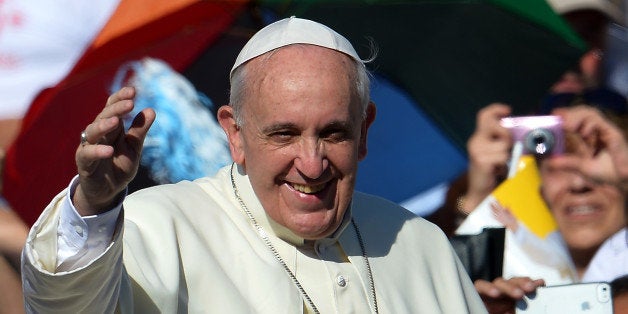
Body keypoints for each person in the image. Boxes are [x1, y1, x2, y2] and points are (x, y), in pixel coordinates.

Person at [21, 17, 486, 313]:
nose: (311, 163)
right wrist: (94, 207)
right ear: (235, 135)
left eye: (333, 133)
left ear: (364, 130)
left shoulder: (420, 244)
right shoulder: (161, 225)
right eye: (283, 133)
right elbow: (66, 308)